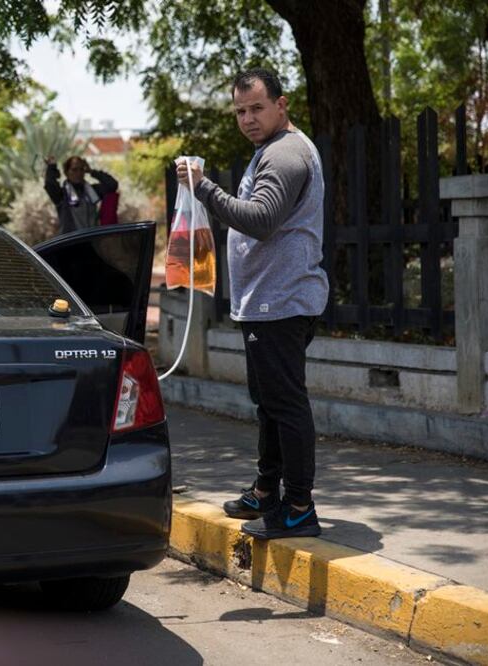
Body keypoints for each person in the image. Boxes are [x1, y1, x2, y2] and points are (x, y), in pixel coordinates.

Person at [176, 67, 329, 540]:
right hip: (266, 301)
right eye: (240, 111)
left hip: (281, 303)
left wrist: (204, 187)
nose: (247, 118)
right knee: (269, 403)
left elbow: (261, 219)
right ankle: (267, 491)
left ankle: (299, 506)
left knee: (285, 404)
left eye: (257, 108)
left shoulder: (285, 154)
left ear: (282, 105)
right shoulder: (270, 151)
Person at [44, 155, 119, 235]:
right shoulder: (62, 195)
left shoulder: (91, 191)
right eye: (74, 170)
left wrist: (91, 171)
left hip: (92, 240)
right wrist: (52, 166)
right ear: (66, 172)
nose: (78, 173)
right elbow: (50, 184)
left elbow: (112, 185)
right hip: (71, 242)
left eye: (81, 169)